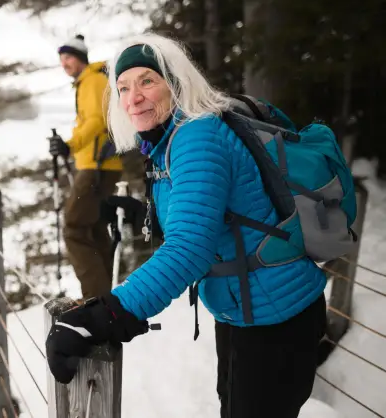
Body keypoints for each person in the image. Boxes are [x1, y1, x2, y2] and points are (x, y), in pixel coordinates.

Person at [45, 34, 332, 418]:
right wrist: (138, 210)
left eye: (148, 81)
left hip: (275, 318)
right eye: (124, 87)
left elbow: (190, 248)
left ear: (176, 83)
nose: (133, 97)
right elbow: (214, 215)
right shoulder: (170, 138)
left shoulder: (196, 136)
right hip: (245, 311)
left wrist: (107, 315)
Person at [49, 34, 124, 300]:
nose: (64, 63)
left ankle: (95, 298)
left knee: (74, 228)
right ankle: (104, 298)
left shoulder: (91, 81)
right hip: (100, 165)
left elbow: (96, 120)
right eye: (61, 59)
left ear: (80, 58)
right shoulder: (90, 81)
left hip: (97, 167)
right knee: (92, 228)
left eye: (68, 57)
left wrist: (70, 145)